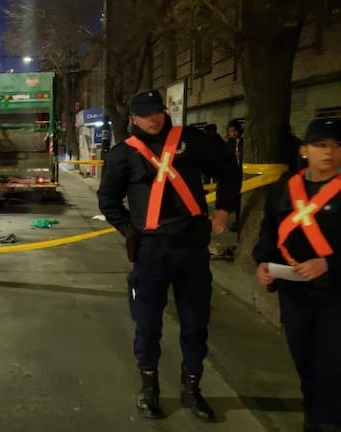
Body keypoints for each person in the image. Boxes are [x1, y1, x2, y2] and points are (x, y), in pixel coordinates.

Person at [97, 89, 241, 422]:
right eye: (146, 114)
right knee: (147, 325)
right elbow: (108, 202)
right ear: (132, 118)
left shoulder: (192, 141)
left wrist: (224, 210)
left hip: (191, 249)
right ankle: (149, 389)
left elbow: (229, 170)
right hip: (151, 253)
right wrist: (133, 233)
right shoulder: (122, 155)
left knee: (195, 323)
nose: (154, 118)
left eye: (158, 111)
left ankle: (192, 388)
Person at [253, 117, 341, 432]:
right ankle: (313, 409)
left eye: (336, 145)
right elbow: (270, 230)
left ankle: (327, 419)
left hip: (335, 292)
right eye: (320, 145)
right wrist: (262, 262)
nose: (329, 153)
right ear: (304, 150)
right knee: (302, 354)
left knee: (331, 360)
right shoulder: (286, 187)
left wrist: (328, 263)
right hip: (294, 290)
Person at [226, 120, 245, 231]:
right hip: (234, 173)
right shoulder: (230, 143)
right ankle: (237, 220)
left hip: (243, 172)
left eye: (234, 131)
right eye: (231, 131)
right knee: (236, 198)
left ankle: (240, 220)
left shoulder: (244, 141)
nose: (233, 133)